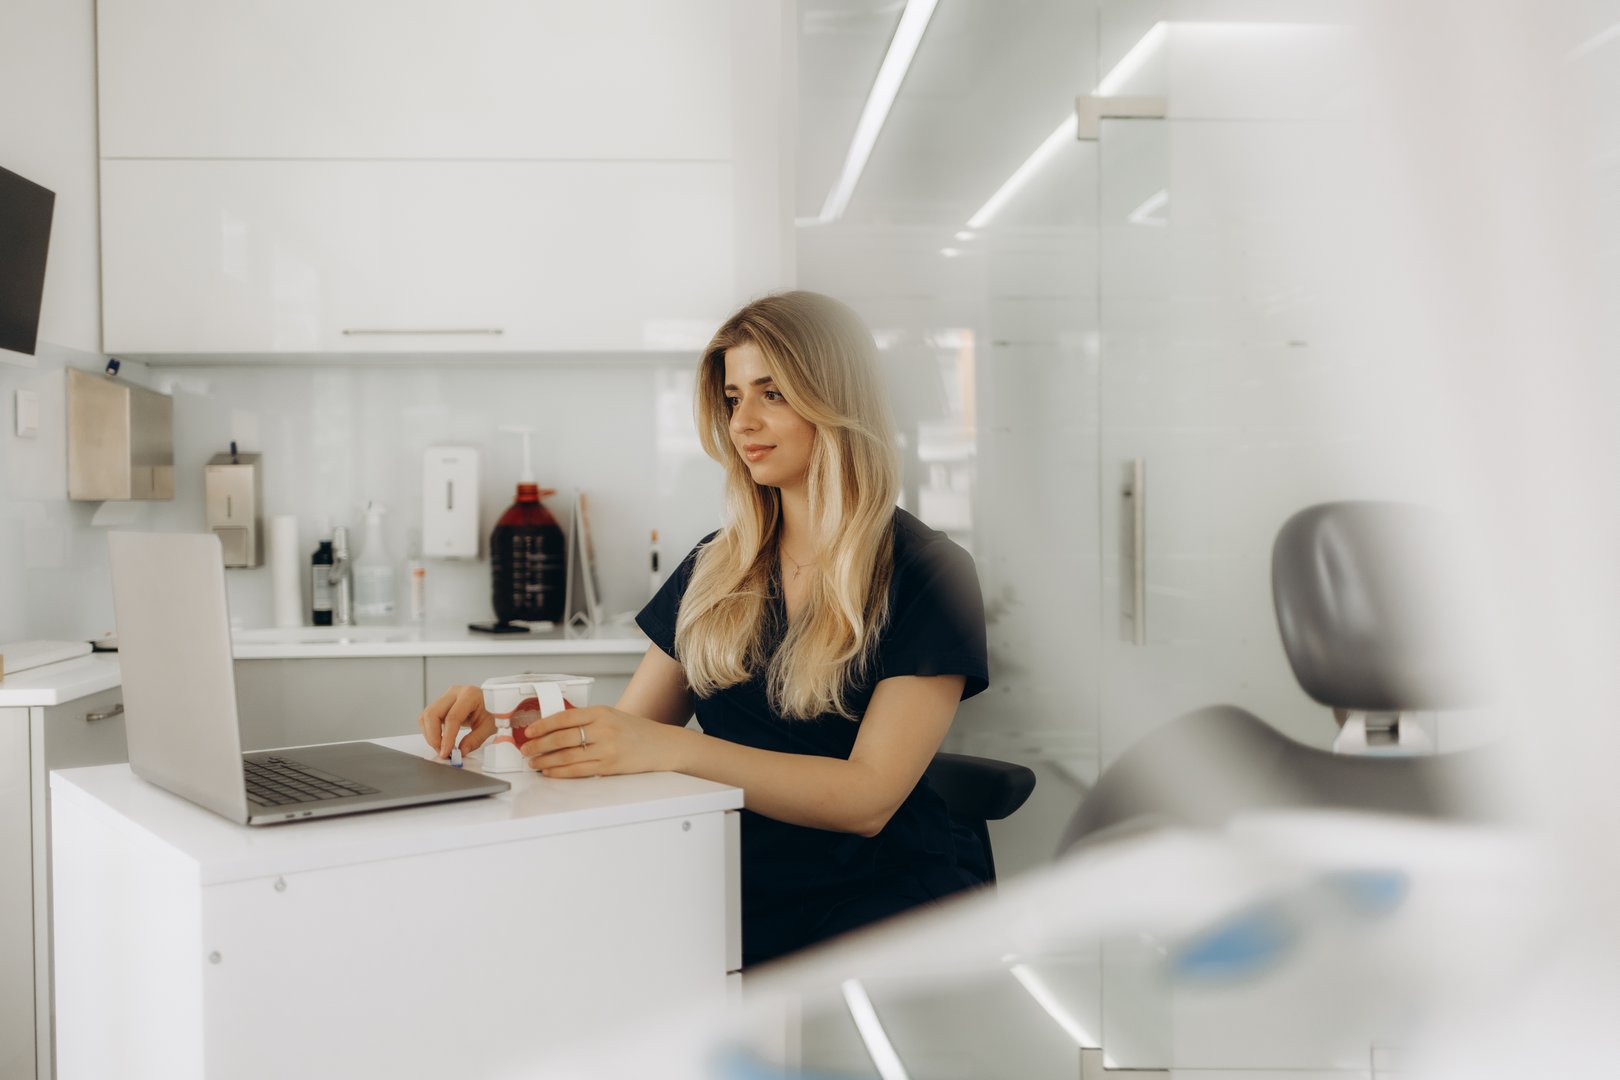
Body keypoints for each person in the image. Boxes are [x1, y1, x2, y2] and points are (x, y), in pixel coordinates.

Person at [419, 291, 990, 967]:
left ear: (837, 400)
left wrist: (672, 749)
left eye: (771, 393)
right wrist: (512, 725)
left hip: (879, 897)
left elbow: (866, 799)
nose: (742, 421)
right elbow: (627, 737)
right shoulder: (717, 565)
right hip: (731, 873)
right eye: (732, 397)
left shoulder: (929, 574)